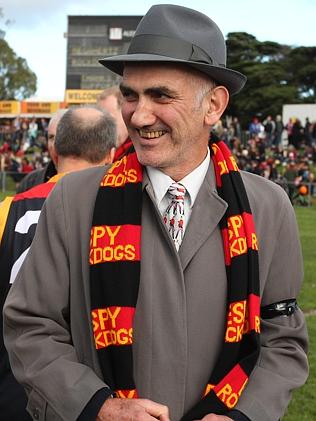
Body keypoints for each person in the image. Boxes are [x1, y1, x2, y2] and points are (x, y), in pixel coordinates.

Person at [3, 5, 308, 421]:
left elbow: (282, 339)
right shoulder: (73, 199)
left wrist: (244, 414)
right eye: (130, 95)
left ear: (214, 106)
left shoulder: (269, 206)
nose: (139, 115)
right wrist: (95, 406)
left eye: (161, 95)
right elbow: (30, 325)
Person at [0, 106, 116, 421]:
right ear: (110, 156)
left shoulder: (9, 209)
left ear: (53, 149)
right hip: (91, 394)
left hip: (14, 383)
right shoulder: (121, 217)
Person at [16, 110, 68, 193]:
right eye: (51, 137)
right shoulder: (30, 183)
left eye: (62, 137)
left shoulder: (93, 183)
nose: (55, 144)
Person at [96, 86, 132, 159]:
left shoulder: (140, 152)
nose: (104, 127)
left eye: (109, 119)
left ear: (126, 113)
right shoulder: (99, 152)